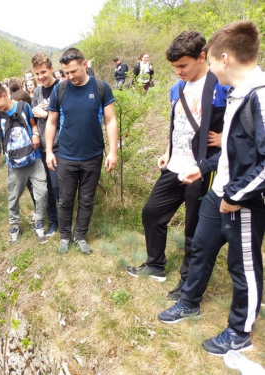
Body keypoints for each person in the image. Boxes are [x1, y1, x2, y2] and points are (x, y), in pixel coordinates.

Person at [157, 21, 265, 356]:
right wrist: (201, 168)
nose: (211, 69)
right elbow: (233, 152)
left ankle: (239, 332)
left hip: (244, 200)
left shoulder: (259, 96)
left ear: (224, 58)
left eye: (212, 61)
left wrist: (235, 196)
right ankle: (189, 302)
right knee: (201, 247)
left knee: (242, 265)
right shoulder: (238, 92)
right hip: (220, 190)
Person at [126, 31, 228, 301]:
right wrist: (167, 151)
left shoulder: (220, 84)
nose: (178, 72)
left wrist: (224, 137)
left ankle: (187, 282)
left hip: (203, 169)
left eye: (183, 66)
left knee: (193, 230)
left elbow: (240, 123)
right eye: (174, 68)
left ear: (202, 57)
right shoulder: (177, 88)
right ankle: (155, 264)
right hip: (175, 165)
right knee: (151, 212)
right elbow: (177, 126)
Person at [46, 48, 118, 255]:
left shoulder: (101, 87)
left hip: (93, 156)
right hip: (66, 156)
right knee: (66, 199)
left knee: (87, 199)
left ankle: (80, 236)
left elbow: (110, 120)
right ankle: (65, 237)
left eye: (74, 71)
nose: (70, 77)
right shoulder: (59, 90)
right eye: (65, 73)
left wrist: (113, 152)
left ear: (85, 64)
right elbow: (51, 123)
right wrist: (49, 151)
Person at [0, 81, 48, 245]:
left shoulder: (23, 107)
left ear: (4, 95)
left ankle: (39, 223)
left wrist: (35, 133)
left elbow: (33, 124)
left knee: (42, 192)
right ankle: (14, 226)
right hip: (14, 164)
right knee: (13, 197)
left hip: (34, 158)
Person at [31, 51, 60, 238]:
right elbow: (33, 117)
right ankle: (53, 221)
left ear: (51, 69)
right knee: (46, 186)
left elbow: (68, 116)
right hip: (41, 146)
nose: (41, 76)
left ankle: (65, 220)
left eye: (43, 72)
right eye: (37, 73)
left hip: (59, 145)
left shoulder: (62, 88)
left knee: (58, 186)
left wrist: (46, 115)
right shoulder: (36, 92)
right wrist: (34, 128)